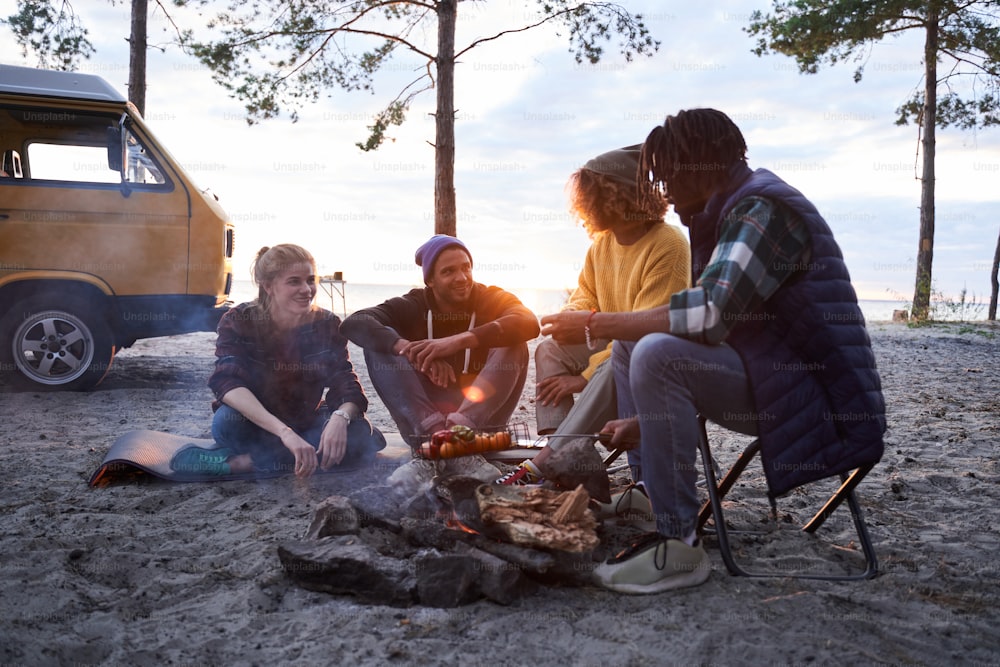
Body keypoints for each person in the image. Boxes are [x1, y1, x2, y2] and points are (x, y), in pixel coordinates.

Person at [540, 108, 886, 594]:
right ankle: (644, 493)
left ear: (698, 165)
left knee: (657, 352)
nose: (663, 192)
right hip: (772, 378)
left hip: (818, 396)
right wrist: (649, 422)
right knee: (635, 344)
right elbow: (726, 330)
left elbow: (709, 315)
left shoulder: (761, 210)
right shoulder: (731, 211)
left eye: (667, 176)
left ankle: (680, 545)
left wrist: (595, 322)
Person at [497, 145, 690, 485]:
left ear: (615, 196)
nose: (582, 205)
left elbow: (646, 335)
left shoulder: (668, 245)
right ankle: (571, 459)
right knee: (548, 348)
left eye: (589, 195)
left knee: (616, 357)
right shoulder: (601, 244)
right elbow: (586, 294)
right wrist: (570, 321)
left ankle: (546, 462)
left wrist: (583, 379)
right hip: (612, 347)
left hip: (649, 364)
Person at [175, 243, 385, 479]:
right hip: (254, 422)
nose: (306, 289)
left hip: (306, 420)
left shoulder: (326, 323)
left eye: (310, 280)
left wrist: (340, 417)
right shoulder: (239, 320)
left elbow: (346, 383)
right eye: (294, 281)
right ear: (268, 286)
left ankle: (243, 463)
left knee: (360, 434)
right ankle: (290, 451)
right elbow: (227, 384)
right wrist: (285, 433)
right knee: (227, 425)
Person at [340, 235, 540, 446]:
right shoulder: (413, 305)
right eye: (448, 271)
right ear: (431, 280)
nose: (462, 278)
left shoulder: (489, 298)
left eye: (466, 267)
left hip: (482, 428)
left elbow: (529, 322)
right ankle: (436, 438)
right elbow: (353, 323)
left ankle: (459, 432)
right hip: (425, 430)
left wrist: (457, 341)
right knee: (380, 345)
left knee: (514, 340)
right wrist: (414, 352)